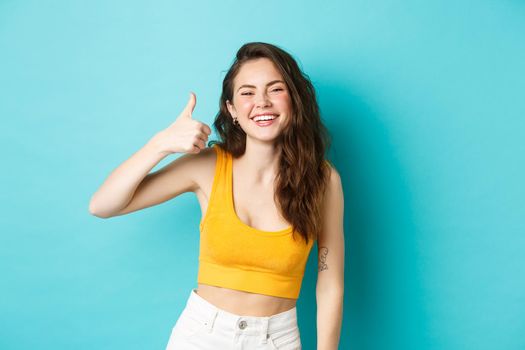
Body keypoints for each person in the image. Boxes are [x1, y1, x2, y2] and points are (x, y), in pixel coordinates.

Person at [89, 42, 345, 350]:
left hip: (277, 339)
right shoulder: (207, 166)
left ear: (295, 99)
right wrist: (160, 144)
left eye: (275, 89)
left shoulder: (323, 180)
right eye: (247, 93)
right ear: (232, 110)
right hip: (201, 335)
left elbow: (330, 284)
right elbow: (102, 206)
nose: (261, 102)